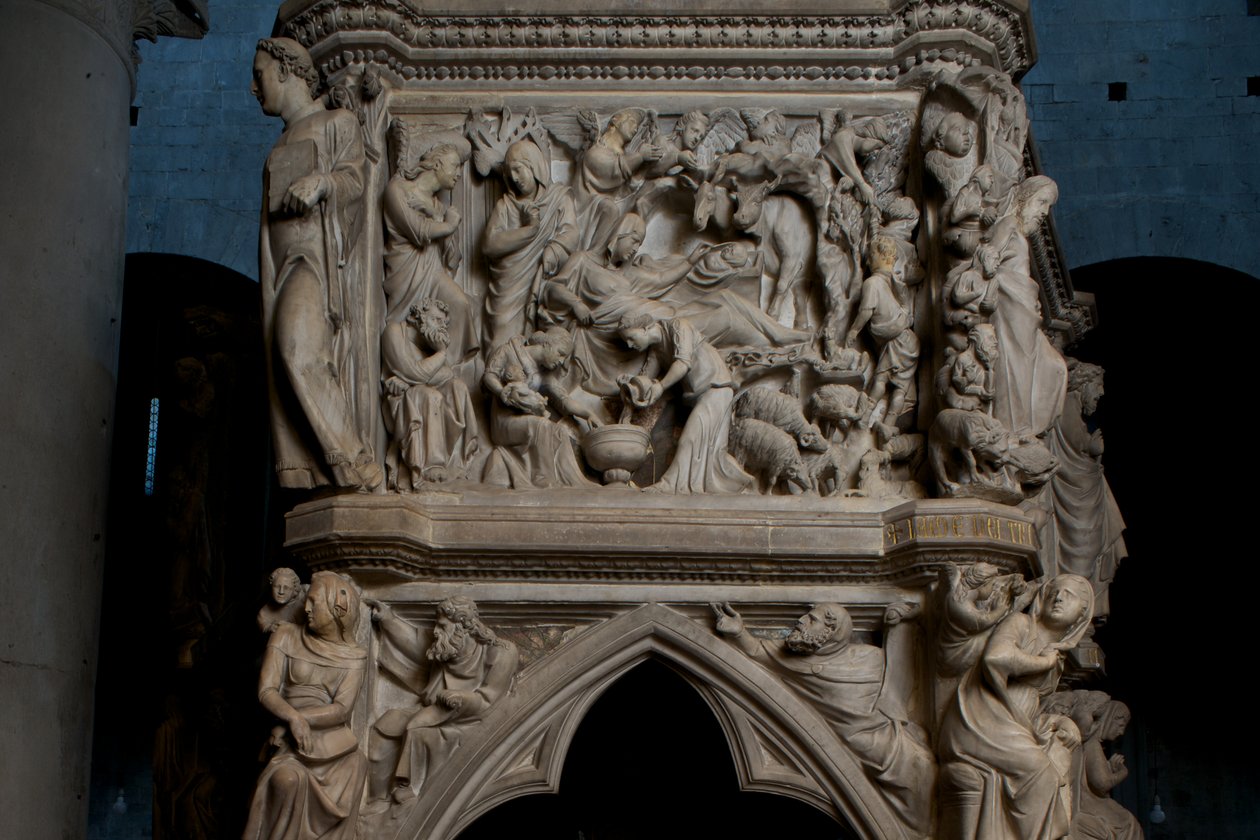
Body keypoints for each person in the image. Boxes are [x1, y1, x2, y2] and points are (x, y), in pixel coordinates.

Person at [254, 37, 381, 491]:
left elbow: (357, 180)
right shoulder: (279, 143)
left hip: (316, 258)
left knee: (297, 347)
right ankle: (313, 468)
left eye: (259, 75)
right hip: (281, 263)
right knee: (282, 358)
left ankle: (355, 460)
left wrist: (323, 182)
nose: (254, 88)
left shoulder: (336, 122)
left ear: (286, 70)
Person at [711, 601, 934, 838]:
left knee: (925, 770)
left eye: (812, 619)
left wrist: (900, 624)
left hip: (888, 740)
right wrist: (739, 632)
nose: (801, 620)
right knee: (922, 772)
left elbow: (900, 669)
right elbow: (758, 650)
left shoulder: (871, 658)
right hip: (859, 744)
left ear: (831, 630)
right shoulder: (795, 658)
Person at [937, 574, 1095, 840]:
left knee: (1055, 764)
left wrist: (1059, 720)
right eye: (1054, 592)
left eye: (1069, 596)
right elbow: (995, 658)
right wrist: (1043, 663)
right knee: (1041, 773)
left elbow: (1029, 706)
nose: (1058, 598)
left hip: (1012, 725)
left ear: (1082, 614)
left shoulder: (1056, 652)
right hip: (981, 720)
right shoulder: (1021, 623)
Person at [243, 572, 367, 840]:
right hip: (290, 737)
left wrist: (302, 718)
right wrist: (292, 718)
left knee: (358, 762)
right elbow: (266, 690)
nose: (306, 608)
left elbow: (342, 708)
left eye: (314, 602)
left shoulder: (354, 657)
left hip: (329, 738)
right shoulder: (286, 635)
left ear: (337, 609)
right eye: (306, 601)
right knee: (286, 779)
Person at [365, 596, 519, 807]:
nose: (436, 631)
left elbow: (489, 700)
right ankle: (377, 801)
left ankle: (406, 786)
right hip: (436, 709)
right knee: (386, 725)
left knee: (417, 729)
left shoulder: (500, 652)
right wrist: (388, 619)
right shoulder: (444, 648)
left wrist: (462, 698)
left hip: (469, 721)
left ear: (463, 626)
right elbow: (415, 642)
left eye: (442, 625)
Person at [616, 313, 752, 494]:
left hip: (716, 387)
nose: (629, 345)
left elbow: (682, 363)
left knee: (690, 440)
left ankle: (670, 486)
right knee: (711, 452)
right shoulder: (656, 351)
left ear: (646, 328)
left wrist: (660, 386)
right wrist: (631, 384)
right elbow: (645, 381)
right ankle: (742, 485)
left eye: (631, 338)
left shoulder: (679, 327)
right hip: (702, 396)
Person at [381, 132, 478, 365]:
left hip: (433, 272)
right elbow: (417, 231)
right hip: (407, 274)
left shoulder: (438, 207)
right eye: (455, 166)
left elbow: (452, 258)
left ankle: (444, 368)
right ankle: (410, 367)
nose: (458, 173)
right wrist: (447, 225)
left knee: (461, 305)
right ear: (437, 164)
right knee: (406, 327)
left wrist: (443, 222)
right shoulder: (398, 189)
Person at [982, 176, 1068, 439]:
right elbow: (988, 257)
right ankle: (1010, 428)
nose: (1044, 212)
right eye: (1041, 202)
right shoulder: (1008, 224)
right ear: (1024, 198)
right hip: (1009, 310)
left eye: (1048, 207)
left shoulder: (1020, 233)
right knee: (1013, 370)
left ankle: (1024, 427)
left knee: (1056, 367)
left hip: (1024, 313)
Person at [482, 138, 579, 350]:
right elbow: (489, 245)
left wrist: (554, 251)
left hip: (543, 277)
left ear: (533, 166)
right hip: (509, 285)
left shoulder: (559, 199)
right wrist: (529, 230)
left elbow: (571, 233)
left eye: (518, 169)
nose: (515, 178)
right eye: (510, 173)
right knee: (501, 335)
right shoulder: (506, 206)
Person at [481, 327, 601, 489]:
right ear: (547, 344)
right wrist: (502, 392)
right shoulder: (509, 350)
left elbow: (564, 400)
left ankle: (570, 480)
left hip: (527, 422)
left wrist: (588, 414)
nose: (561, 361)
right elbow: (489, 375)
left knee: (559, 431)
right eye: (560, 353)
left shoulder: (543, 373)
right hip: (504, 422)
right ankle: (541, 476)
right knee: (542, 425)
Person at [379, 299, 480, 490]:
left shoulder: (429, 345)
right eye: (436, 320)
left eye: (444, 323)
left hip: (415, 391)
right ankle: (431, 465)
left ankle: (456, 463)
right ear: (417, 317)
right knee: (431, 396)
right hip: (401, 402)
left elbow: (447, 374)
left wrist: (409, 380)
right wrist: (441, 354)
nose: (441, 327)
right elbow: (412, 371)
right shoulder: (395, 332)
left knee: (458, 387)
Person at [845, 235, 920, 440]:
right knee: (900, 388)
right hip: (910, 341)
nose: (868, 261)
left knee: (881, 379)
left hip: (897, 341)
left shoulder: (873, 283)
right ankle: (889, 425)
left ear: (883, 256)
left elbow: (866, 311)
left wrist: (853, 331)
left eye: (871, 255)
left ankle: (864, 417)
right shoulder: (896, 284)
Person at [574, 108, 663, 253]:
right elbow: (611, 170)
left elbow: (625, 191)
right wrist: (640, 156)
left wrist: (645, 167)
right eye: (632, 122)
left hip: (604, 211)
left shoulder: (622, 158)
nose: (636, 128)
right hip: (584, 210)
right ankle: (594, 254)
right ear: (615, 121)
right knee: (610, 209)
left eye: (638, 126)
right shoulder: (596, 151)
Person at [256, 567, 307, 633]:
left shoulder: (306, 593)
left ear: (295, 589)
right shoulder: (264, 615)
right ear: (271, 587)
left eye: (286, 588)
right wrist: (269, 628)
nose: (281, 592)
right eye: (276, 586)